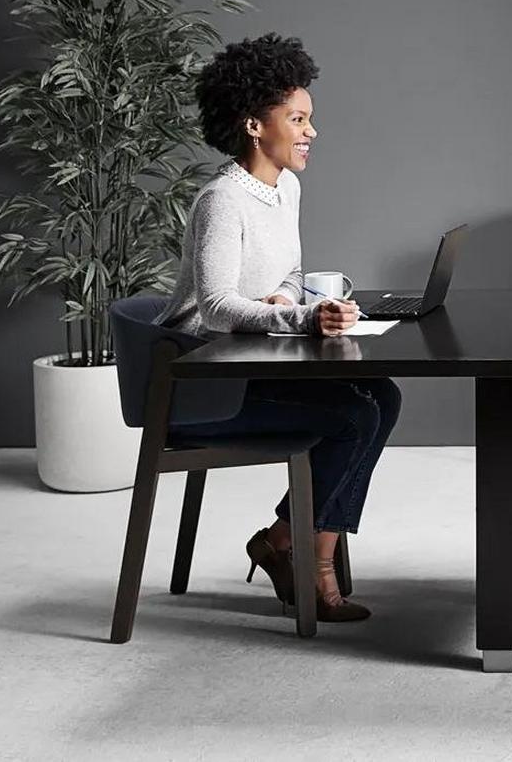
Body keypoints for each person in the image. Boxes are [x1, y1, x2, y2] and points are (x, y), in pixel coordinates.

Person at [155, 33, 400, 623]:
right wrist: (302, 317)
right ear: (252, 125)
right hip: (201, 386)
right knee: (354, 415)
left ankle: (285, 541)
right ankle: (313, 567)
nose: (312, 131)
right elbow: (216, 307)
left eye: (309, 118)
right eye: (297, 119)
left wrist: (286, 298)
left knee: (383, 396)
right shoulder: (222, 200)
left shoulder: (286, 187)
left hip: (249, 367)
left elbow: (289, 272)